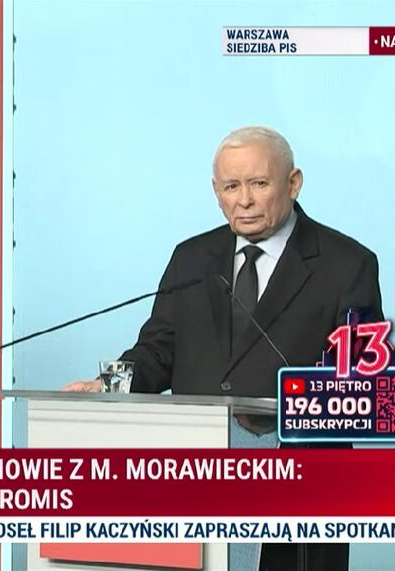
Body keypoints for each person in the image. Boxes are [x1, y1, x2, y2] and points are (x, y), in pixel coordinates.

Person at [65, 126, 383, 571]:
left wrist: (297, 407)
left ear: (293, 183)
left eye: (259, 183)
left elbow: (362, 384)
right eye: (231, 187)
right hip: (198, 488)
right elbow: (157, 350)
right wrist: (107, 385)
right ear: (216, 191)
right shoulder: (192, 258)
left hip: (296, 504)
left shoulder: (347, 264)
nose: (244, 200)